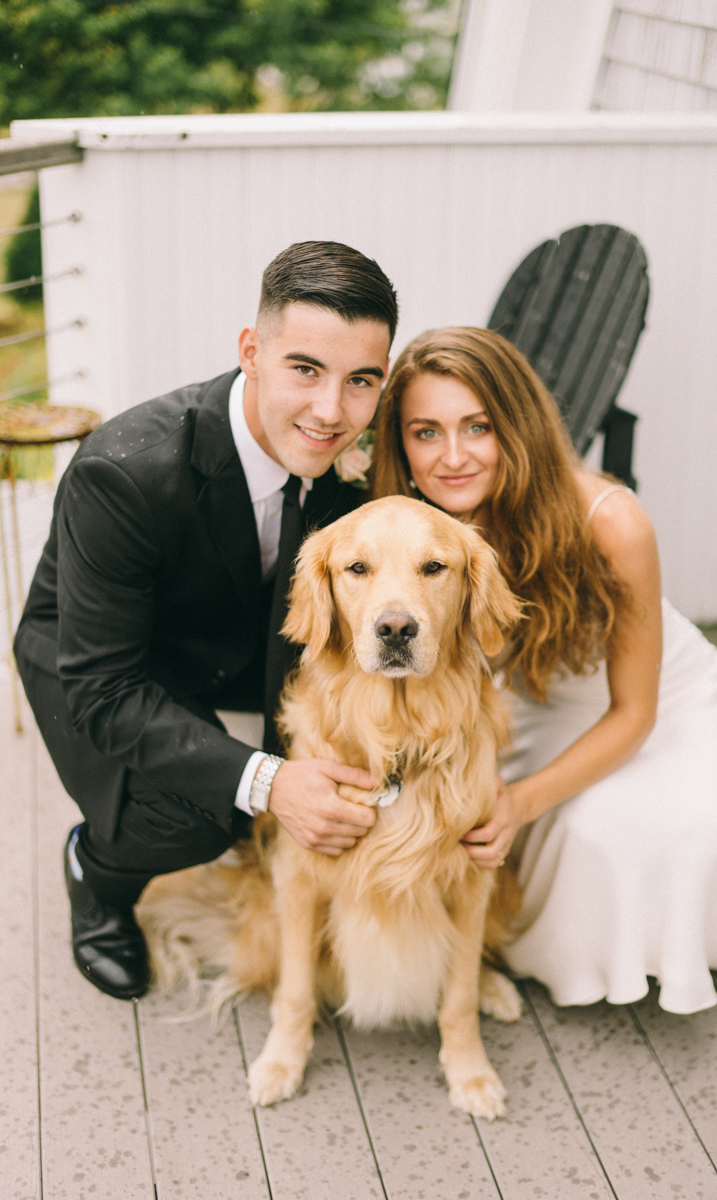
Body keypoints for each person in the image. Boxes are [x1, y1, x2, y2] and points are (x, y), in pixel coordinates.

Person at [15, 241, 397, 1001]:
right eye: (305, 370)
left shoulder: (352, 458)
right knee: (202, 817)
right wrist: (270, 781)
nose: (331, 412)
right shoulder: (124, 472)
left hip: (235, 641)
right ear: (251, 352)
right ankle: (97, 873)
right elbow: (103, 688)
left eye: (361, 381)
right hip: (100, 660)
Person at [371, 325, 717, 1015]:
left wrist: (522, 803)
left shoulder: (612, 522)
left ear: (517, 428)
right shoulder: (407, 533)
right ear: (400, 445)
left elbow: (634, 711)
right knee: (579, 832)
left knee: (675, 826)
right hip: (533, 707)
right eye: (425, 432)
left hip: (665, 704)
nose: (453, 456)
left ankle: (657, 954)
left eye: (479, 426)